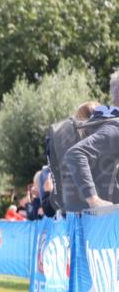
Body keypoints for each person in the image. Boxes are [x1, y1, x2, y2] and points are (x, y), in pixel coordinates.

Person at [63, 71, 119, 209]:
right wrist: (94, 200)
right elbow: (75, 154)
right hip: (107, 219)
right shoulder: (115, 127)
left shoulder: (102, 125)